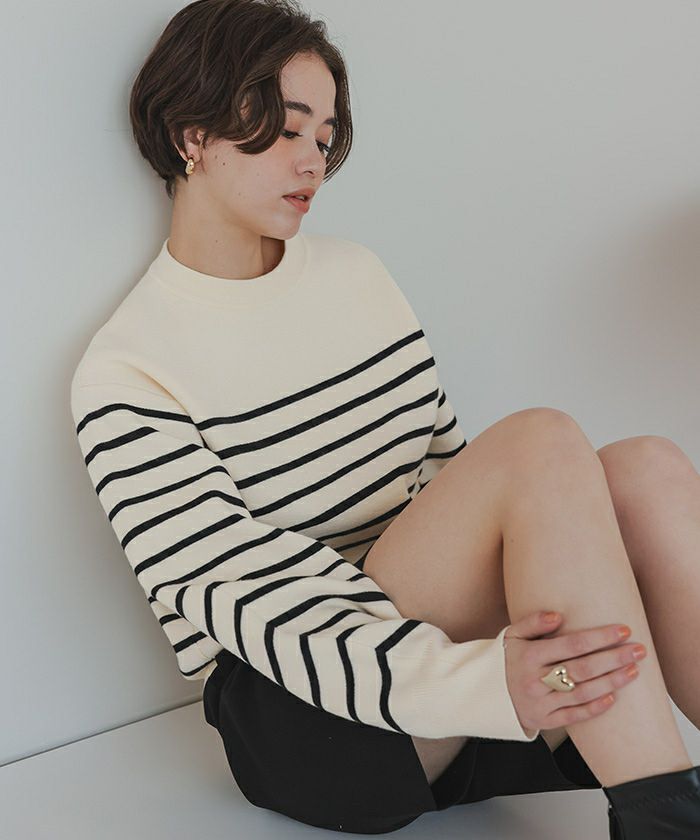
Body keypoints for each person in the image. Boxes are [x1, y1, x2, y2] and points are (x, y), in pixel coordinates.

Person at [70, 0, 700, 835]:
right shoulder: (128, 370)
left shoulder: (354, 276)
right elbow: (243, 600)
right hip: (305, 715)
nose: (313, 161)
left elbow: (450, 484)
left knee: (646, 466)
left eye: (324, 136)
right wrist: (474, 682)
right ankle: (667, 821)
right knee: (540, 439)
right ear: (193, 135)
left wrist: (505, 654)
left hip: (444, 680)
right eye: (286, 130)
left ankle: (659, 803)